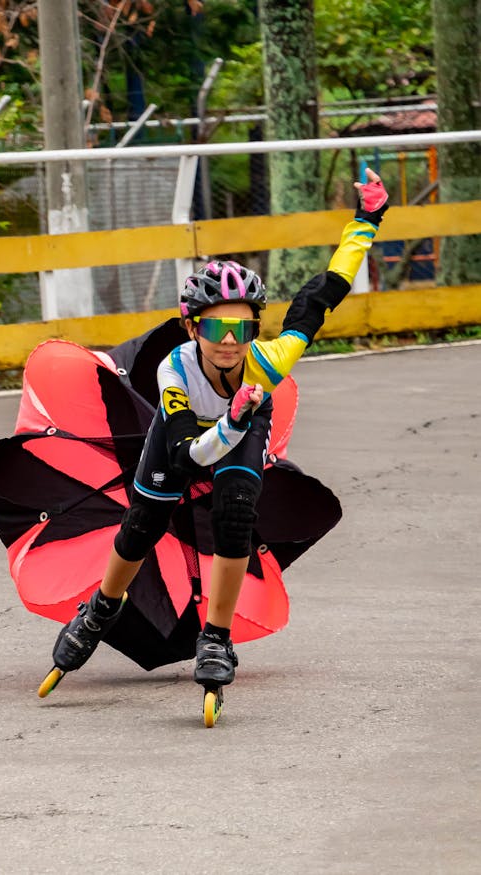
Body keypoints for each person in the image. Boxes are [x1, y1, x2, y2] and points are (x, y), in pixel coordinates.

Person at [49, 167, 389, 688]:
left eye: (242, 328)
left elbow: (325, 291)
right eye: (214, 327)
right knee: (143, 524)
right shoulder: (175, 370)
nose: (229, 341)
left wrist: (366, 220)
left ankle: (216, 637)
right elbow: (189, 457)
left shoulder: (270, 360)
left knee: (234, 518)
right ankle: (101, 608)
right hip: (190, 436)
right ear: (191, 327)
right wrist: (228, 421)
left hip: (246, 419)